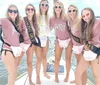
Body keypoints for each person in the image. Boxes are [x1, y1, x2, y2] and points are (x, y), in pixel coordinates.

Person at [0, 4, 30, 85]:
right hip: (7, 50)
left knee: (14, 72)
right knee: (12, 73)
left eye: (15, 11)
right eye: (10, 11)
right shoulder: (4, 20)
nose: (13, 13)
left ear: (17, 13)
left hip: (16, 51)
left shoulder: (18, 23)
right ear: (7, 12)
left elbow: (26, 33)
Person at [16, 4, 43, 85]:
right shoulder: (22, 20)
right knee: (16, 63)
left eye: (32, 9)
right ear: (26, 11)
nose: (30, 10)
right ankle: (12, 80)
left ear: (34, 11)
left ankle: (31, 80)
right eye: (28, 9)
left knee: (29, 62)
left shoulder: (35, 21)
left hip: (30, 44)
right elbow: (16, 31)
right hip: (22, 44)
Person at [75, 8, 100, 85]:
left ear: (92, 13)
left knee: (97, 76)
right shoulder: (85, 25)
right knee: (77, 73)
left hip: (95, 53)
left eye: (87, 14)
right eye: (83, 16)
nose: (86, 17)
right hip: (86, 53)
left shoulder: (98, 22)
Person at [49, 1, 72, 83]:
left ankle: (67, 75)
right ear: (54, 8)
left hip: (69, 40)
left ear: (62, 8)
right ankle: (56, 76)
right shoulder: (52, 18)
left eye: (59, 7)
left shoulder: (66, 17)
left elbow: (74, 27)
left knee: (68, 59)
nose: (58, 8)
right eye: (56, 7)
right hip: (58, 41)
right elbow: (48, 29)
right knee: (57, 59)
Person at [67, 5, 87, 84]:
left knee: (83, 68)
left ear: (77, 11)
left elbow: (88, 33)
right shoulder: (70, 21)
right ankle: (77, 79)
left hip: (82, 48)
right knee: (79, 64)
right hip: (75, 47)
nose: (72, 12)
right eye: (70, 11)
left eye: (73, 10)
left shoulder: (81, 20)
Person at [37, 0, 50, 79]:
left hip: (46, 39)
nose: (44, 6)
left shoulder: (49, 16)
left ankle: (44, 72)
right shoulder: (36, 15)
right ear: (39, 5)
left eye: (46, 5)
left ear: (48, 7)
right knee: (39, 58)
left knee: (44, 56)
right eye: (42, 4)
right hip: (37, 39)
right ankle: (38, 76)